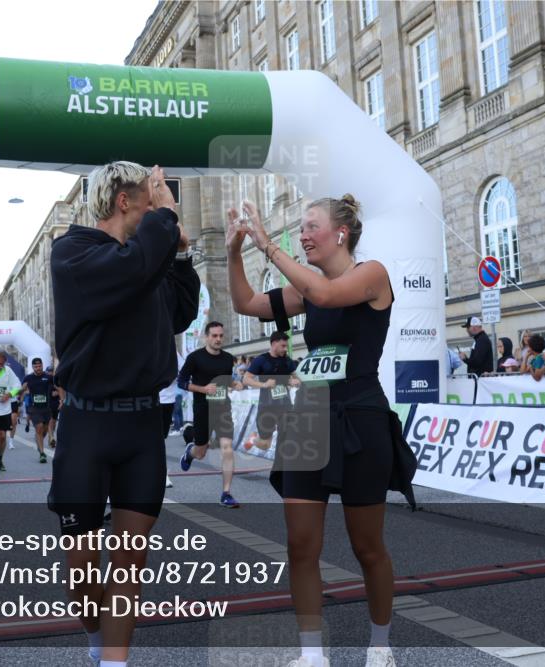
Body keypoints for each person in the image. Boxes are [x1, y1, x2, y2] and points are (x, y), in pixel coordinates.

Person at [228, 195, 415, 667]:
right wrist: (235, 250)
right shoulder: (307, 288)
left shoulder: (371, 274)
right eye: (300, 228)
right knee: (300, 545)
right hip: (309, 417)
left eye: (311, 226)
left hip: (361, 416)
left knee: (366, 545)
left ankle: (380, 647)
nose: (304, 234)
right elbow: (247, 302)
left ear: (341, 234)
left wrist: (268, 244)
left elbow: (330, 295)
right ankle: (312, 655)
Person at [48, 162, 199, 666]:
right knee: (84, 573)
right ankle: (97, 642)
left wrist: (180, 255)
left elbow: (181, 311)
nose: (159, 209)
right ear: (125, 201)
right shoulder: (73, 252)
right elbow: (131, 269)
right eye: (151, 200)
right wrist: (167, 221)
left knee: (130, 562)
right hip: (87, 427)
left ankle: (115, 661)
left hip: (140, 428)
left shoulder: (144, 260)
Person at [177, 322, 242, 507]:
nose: (218, 339)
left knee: (227, 449)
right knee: (200, 453)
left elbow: (227, 382)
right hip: (202, 409)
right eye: (214, 336)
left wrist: (235, 385)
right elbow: (181, 382)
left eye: (221, 336)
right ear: (207, 337)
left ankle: (226, 493)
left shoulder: (228, 358)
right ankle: (190, 452)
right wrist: (202, 389)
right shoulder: (195, 358)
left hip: (223, 409)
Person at [243, 331, 300, 451]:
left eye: (286, 346)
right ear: (274, 343)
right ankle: (253, 439)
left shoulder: (287, 361)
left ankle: (284, 466)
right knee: (265, 445)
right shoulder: (261, 360)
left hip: (285, 406)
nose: (285, 349)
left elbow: (298, 377)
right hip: (267, 407)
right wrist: (264, 384)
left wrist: (295, 381)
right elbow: (246, 379)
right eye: (283, 346)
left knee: (288, 438)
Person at [22, 357, 55, 464]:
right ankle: (42, 453)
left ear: (42, 365)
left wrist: (62, 399)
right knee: (39, 427)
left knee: (44, 430)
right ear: (32, 367)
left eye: (39, 366)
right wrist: (18, 398)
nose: (38, 368)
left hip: (46, 408)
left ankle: (38, 441)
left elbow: (58, 387)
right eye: (35, 367)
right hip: (34, 407)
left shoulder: (48, 377)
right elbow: (22, 390)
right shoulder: (28, 378)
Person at [158, 346, 180, 488]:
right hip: (149, 400)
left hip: (167, 401)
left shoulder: (173, 350)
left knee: (161, 440)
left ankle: (162, 474)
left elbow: (181, 372)